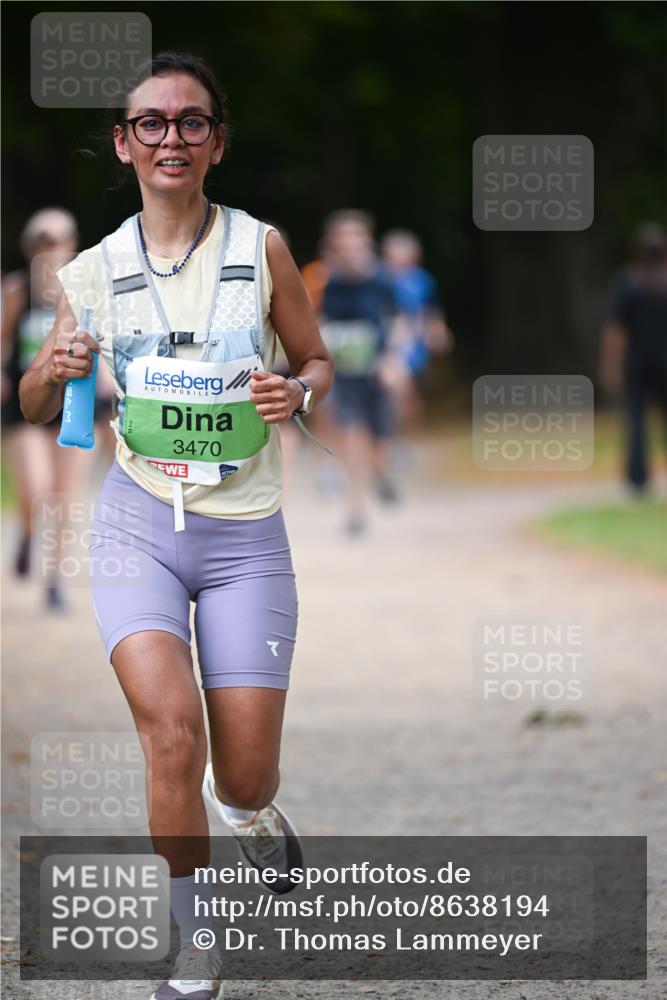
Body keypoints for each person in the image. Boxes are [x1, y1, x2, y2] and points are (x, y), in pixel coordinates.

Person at [19, 52, 334, 1000]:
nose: (171, 138)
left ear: (216, 142)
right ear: (124, 144)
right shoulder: (89, 272)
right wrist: (54, 367)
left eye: (190, 122)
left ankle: (248, 814)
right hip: (137, 529)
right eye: (150, 123)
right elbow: (34, 403)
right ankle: (194, 948)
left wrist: (296, 393)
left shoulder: (262, 249)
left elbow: (317, 360)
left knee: (243, 773)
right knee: (169, 733)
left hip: (245, 538)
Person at [1, 207, 93, 611]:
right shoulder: (17, 289)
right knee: (35, 487)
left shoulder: (85, 289)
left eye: (58, 238)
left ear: (72, 244)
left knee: (64, 494)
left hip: (76, 401)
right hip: (26, 404)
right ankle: (26, 531)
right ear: (30, 247)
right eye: (42, 239)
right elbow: (3, 340)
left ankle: (55, 580)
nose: (50, 246)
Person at [319, 210, 398, 534]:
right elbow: (324, 322)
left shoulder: (383, 280)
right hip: (346, 375)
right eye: (343, 243)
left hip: (378, 372)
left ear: (367, 242)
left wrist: (393, 360)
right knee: (353, 435)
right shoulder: (332, 284)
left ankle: (380, 472)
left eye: (355, 241)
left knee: (377, 443)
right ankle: (356, 508)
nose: (349, 248)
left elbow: (400, 320)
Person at [599, 222, 667, 493]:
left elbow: (615, 329)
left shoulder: (629, 282)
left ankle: (638, 480)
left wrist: (610, 365)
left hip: (637, 363)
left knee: (636, 421)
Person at [379, 229, 452, 430]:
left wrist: (438, 332)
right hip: (387, 342)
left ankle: (404, 432)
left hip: (413, 343)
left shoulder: (422, 280)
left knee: (410, 392)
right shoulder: (378, 278)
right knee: (398, 385)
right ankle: (390, 434)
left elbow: (431, 310)